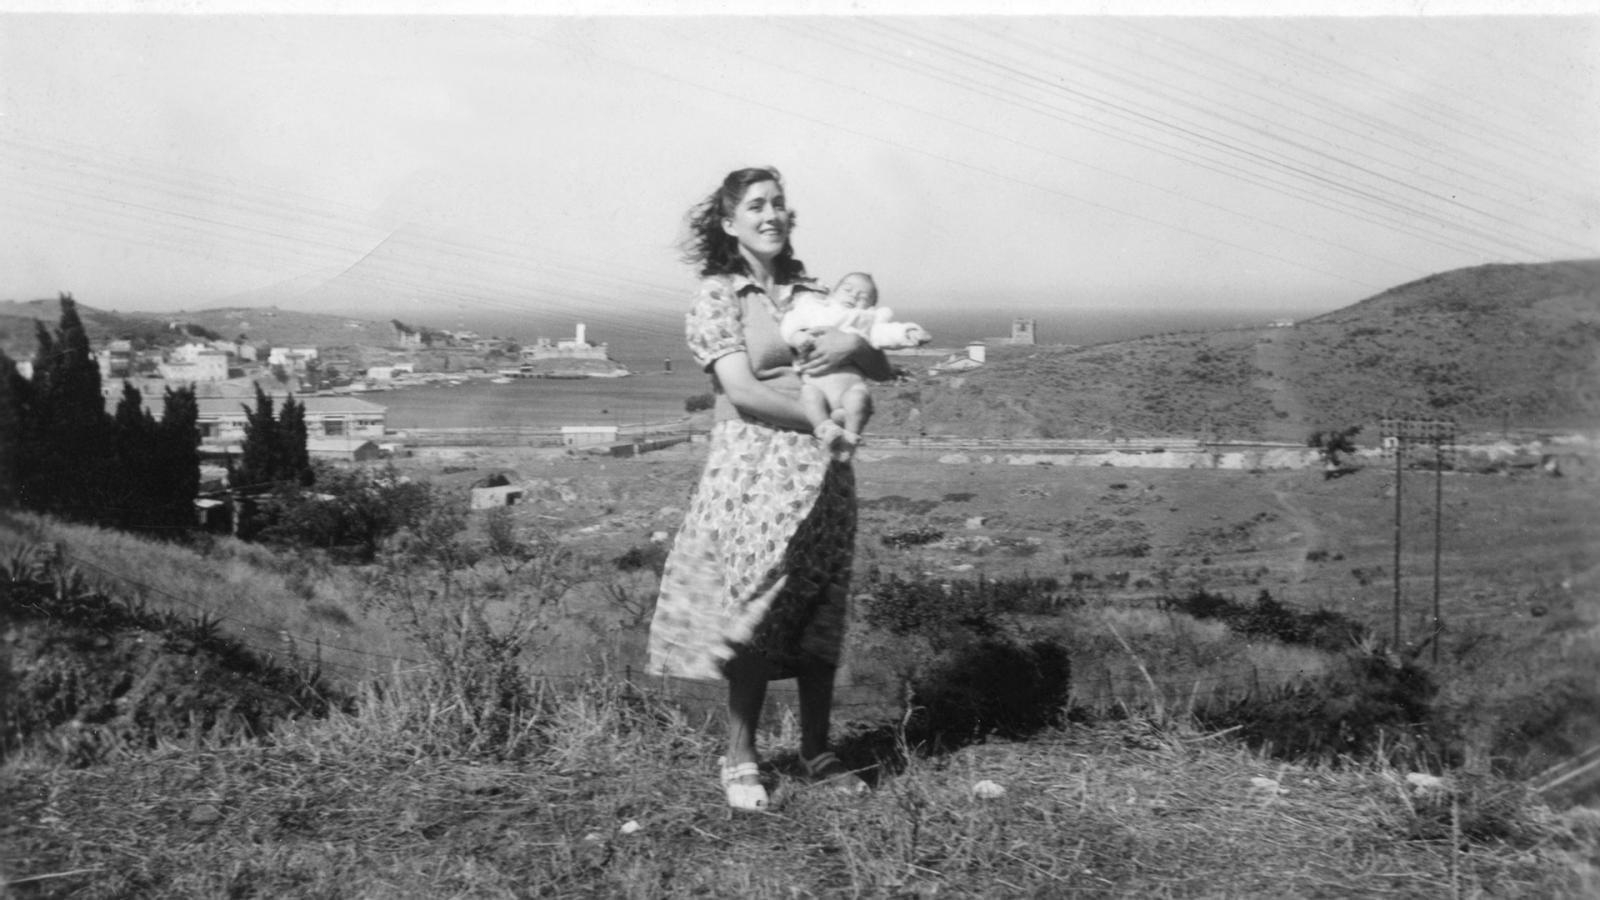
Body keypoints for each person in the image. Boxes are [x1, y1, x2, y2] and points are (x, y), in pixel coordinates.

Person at [645, 166, 891, 811]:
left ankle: (816, 748)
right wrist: (822, 419)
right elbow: (745, 390)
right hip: (754, 472)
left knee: (819, 606)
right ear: (730, 223)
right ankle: (741, 753)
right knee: (755, 608)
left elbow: (880, 365)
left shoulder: (817, 295)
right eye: (756, 205)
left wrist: (852, 345)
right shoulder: (719, 297)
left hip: (825, 471)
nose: (772, 215)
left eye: (780, 204)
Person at [779, 271, 931, 460]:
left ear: (871, 306)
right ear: (832, 293)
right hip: (816, 384)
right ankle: (826, 428)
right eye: (847, 290)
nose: (853, 296)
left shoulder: (865, 321)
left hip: (848, 387)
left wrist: (908, 333)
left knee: (858, 398)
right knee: (809, 396)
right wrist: (797, 337)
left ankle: (850, 439)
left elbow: (884, 332)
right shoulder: (814, 309)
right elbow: (791, 322)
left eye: (863, 296)